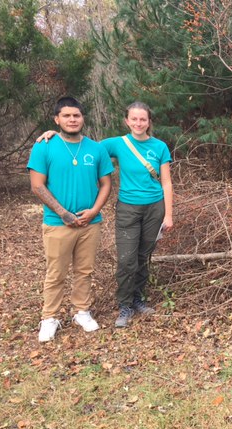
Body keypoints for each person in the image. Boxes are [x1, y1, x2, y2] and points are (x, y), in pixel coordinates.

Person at [38, 102, 174, 328]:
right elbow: (82, 146)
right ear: (126, 121)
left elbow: (167, 182)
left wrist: (168, 215)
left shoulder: (159, 147)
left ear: (149, 122)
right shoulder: (117, 144)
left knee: (143, 256)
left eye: (143, 119)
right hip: (128, 209)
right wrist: (55, 134)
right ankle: (125, 305)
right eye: (134, 119)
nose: (138, 123)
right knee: (126, 259)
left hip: (155, 208)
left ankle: (138, 299)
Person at [28, 97, 114, 342]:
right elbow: (37, 185)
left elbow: (107, 183)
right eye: (66, 116)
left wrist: (94, 211)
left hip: (90, 223)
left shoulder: (95, 149)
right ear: (57, 119)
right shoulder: (45, 145)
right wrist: (62, 212)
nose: (72, 120)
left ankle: (82, 312)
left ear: (82, 118)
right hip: (58, 223)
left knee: (84, 270)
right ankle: (49, 318)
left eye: (76, 115)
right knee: (56, 272)